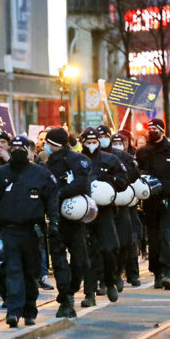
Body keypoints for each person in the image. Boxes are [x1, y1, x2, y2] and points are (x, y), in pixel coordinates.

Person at [0, 136, 59, 328]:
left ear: (29, 151)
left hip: (32, 231)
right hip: (8, 230)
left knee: (30, 273)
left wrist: (54, 222)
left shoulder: (40, 174)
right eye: (13, 148)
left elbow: (51, 198)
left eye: (21, 149)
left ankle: (29, 310)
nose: (17, 152)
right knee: (13, 271)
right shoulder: (0, 174)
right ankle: (14, 312)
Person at [43, 127, 91, 318]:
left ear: (54, 144)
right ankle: (66, 296)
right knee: (60, 259)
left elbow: (81, 184)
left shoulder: (78, 160)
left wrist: (59, 194)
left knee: (79, 259)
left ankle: (69, 289)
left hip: (75, 215)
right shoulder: (46, 164)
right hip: (57, 217)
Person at [136, 119, 170, 289]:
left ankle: (167, 272)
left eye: (155, 129)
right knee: (154, 238)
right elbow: (139, 173)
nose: (152, 132)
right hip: (150, 201)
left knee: (167, 235)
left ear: (162, 130)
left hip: (169, 200)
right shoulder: (143, 152)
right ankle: (157, 272)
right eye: (149, 129)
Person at [79, 127, 126, 305]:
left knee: (109, 248)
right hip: (84, 211)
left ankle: (110, 280)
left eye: (94, 142)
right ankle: (89, 294)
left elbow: (123, 181)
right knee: (88, 252)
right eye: (88, 142)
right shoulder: (78, 160)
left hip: (105, 211)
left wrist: (107, 185)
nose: (91, 145)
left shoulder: (110, 159)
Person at [106, 128, 141, 287]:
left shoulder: (128, 158)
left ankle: (132, 273)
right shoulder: (103, 158)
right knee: (111, 241)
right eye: (116, 142)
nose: (119, 145)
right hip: (108, 204)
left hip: (127, 204)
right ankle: (112, 274)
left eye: (122, 142)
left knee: (129, 239)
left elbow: (134, 175)